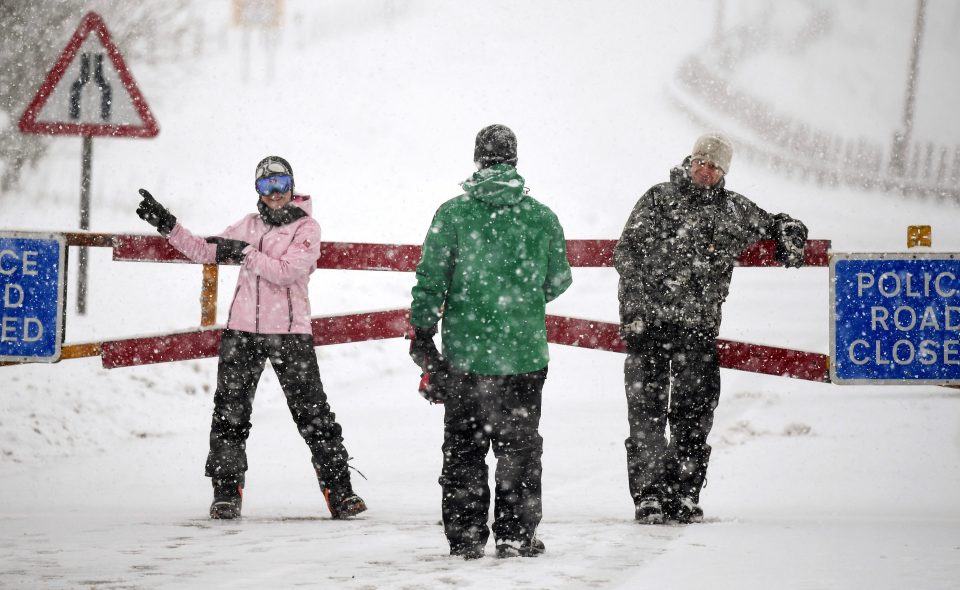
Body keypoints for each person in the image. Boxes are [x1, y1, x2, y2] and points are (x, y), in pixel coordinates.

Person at [135, 156, 367, 521]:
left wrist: (245, 253)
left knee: (313, 413)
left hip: (289, 333)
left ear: (292, 187)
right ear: (257, 190)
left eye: (281, 185)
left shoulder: (307, 228)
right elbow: (203, 250)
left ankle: (340, 490)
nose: (274, 194)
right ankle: (226, 491)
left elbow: (288, 272)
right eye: (266, 186)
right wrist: (168, 224)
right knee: (230, 413)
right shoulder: (248, 225)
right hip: (242, 332)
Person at [614, 133, 808, 524]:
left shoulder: (733, 210)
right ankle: (648, 495)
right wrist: (632, 312)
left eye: (716, 166)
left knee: (694, 416)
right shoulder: (658, 199)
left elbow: (775, 224)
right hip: (649, 327)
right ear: (690, 161)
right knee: (647, 416)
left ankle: (684, 493)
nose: (707, 170)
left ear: (725, 172)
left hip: (698, 332)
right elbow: (627, 252)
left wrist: (790, 233)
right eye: (702, 161)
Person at [408, 124, 573, 560]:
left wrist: (423, 332)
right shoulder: (541, 216)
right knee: (519, 446)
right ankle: (516, 535)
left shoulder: (453, 214)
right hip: (524, 354)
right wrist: (519, 303)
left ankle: (465, 537)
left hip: (467, 355)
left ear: (478, 160)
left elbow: (430, 281)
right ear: (515, 160)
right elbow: (559, 279)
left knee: (464, 447)